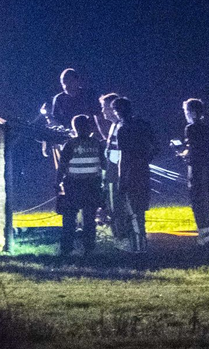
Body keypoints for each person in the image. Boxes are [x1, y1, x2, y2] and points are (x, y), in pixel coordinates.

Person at [110, 97, 158, 253]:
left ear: (118, 111)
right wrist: (145, 159)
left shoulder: (123, 129)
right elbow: (156, 146)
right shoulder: (144, 124)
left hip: (130, 173)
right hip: (143, 170)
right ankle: (139, 243)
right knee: (141, 209)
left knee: (133, 211)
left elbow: (123, 157)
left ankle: (138, 247)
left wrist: (121, 179)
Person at [56, 115, 104, 256]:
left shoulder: (70, 144)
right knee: (89, 219)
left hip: (74, 185)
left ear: (74, 128)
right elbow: (104, 164)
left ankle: (67, 249)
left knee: (69, 218)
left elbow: (62, 166)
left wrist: (57, 183)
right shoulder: (96, 144)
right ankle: (89, 249)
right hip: (92, 185)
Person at [179, 98, 209, 245]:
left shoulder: (190, 128)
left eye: (186, 111)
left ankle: (205, 236)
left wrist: (184, 154)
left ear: (192, 112)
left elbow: (192, 150)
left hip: (196, 170)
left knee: (198, 201)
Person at [49, 68, 103, 139]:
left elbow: (98, 114)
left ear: (77, 81)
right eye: (64, 83)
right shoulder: (59, 99)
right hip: (69, 136)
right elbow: (56, 119)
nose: (66, 86)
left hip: (91, 134)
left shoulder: (89, 94)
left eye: (70, 81)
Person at [100, 92, 123, 237]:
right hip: (111, 172)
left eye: (104, 107)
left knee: (116, 205)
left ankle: (121, 234)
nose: (102, 111)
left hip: (116, 173)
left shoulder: (120, 126)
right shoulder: (114, 125)